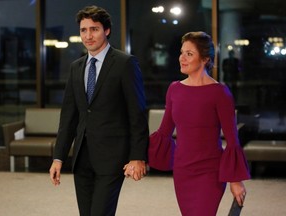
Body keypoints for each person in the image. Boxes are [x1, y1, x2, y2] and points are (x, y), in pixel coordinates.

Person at [49, 5, 148, 216]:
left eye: (94, 29)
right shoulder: (76, 67)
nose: (88, 35)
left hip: (112, 158)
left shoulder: (125, 63)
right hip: (81, 158)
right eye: (83, 30)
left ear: (107, 30)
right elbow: (68, 117)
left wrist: (137, 156)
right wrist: (58, 158)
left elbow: (137, 113)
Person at [148, 31, 250, 215]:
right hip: (182, 169)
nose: (182, 58)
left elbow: (232, 139)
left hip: (210, 170)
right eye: (181, 53)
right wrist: (138, 155)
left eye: (189, 54)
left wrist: (235, 180)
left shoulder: (220, 92)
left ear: (204, 59)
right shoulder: (174, 89)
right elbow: (164, 131)